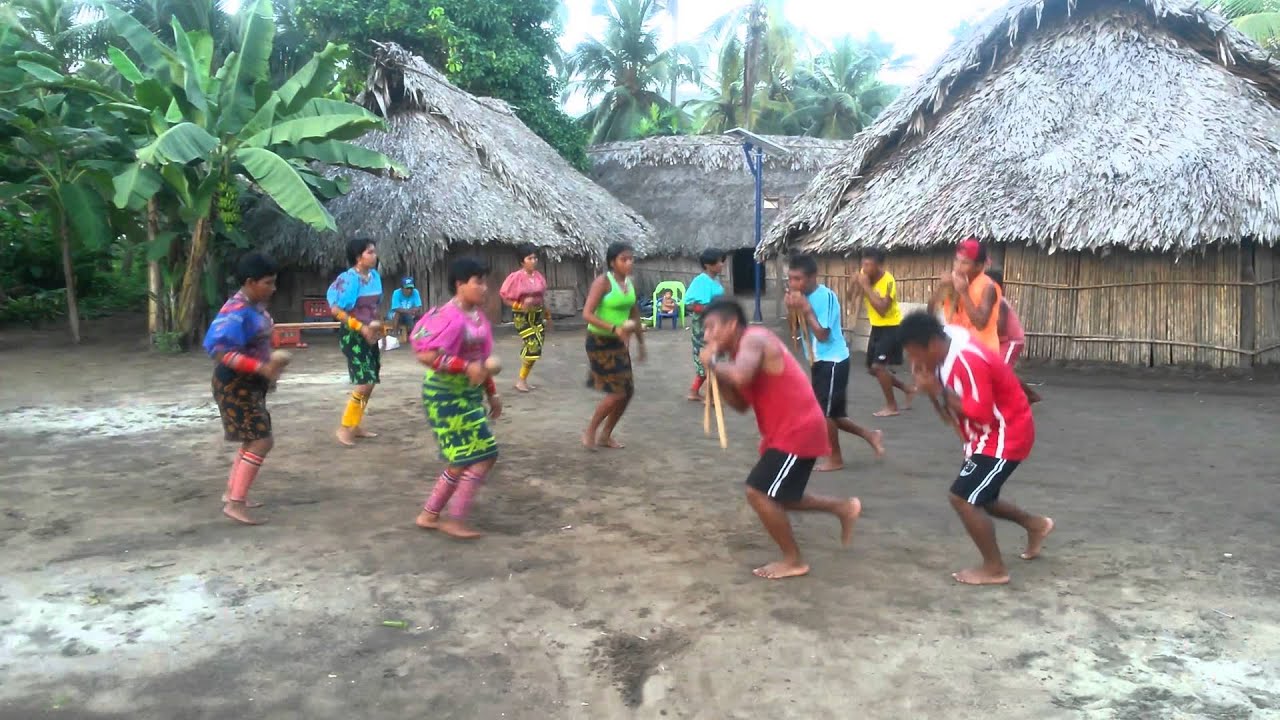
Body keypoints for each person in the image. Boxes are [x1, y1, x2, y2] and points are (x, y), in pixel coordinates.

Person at [699, 298, 862, 580]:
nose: (706, 336)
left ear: (732, 325)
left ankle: (794, 560)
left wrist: (714, 365)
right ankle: (843, 508)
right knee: (782, 496)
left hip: (798, 429)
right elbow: (739, 403)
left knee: (758, 492)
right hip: (787, 431)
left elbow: (739, 377)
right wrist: (718, 377)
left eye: (712, 327)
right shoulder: (739, 354)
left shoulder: (755, 338)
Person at [898, 311, 1054, 586]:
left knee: (964, 498)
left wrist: (937, 391)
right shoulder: (941, 350)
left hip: (1006, 433)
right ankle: (1036, 525)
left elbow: (980, 413)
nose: (914, 362)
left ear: (932, 344)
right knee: (982, 497)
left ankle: (995, 569)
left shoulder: (967, 359)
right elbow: (948, 414)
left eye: (915, 354)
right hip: (984, 435)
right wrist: (934, 392)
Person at [412, 257, 503, 539]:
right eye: (478, 282)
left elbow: (483, 362)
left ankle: (430, 514)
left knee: (463, 457)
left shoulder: (479, 320)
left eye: (485, 282)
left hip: (468, 395)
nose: (485, 288)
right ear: (460, 284)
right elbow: (425, 354)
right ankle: (455, 519)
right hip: (444, 395)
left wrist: (492, 393)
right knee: (485, 454)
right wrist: (464, 367)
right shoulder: (445, 316)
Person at [202, 252, 289, 525]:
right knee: (262, 440)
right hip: (234, 384)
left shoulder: (255, 307)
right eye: (269, 282)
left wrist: (266, 372)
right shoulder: (236, 311)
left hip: (247, 384)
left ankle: (233, 494)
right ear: (250, 282)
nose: (273, 288)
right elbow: (218, 350)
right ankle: (235, 502)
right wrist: (262, 368)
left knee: (253, 438)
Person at [784, 254, 884, 472]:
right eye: (790, 279)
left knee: (824, 413)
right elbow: (795, 329)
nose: (793, 284)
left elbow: (822, 334)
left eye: (798, 279)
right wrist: (792, 309)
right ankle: (871, 435)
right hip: (820, 360)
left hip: (834, 360)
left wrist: (806, 309)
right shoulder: (800, 296)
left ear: (812, 277)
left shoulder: (826, 296)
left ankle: (835, 458)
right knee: (834, 414)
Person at [582, 241, 643, 449]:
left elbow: (635, 314)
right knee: (617, 392)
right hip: (599, 341)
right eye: (623, 259)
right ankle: (591, 430)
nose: (628, 263)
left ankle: (606, 435)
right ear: (612, 262)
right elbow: (587, 314)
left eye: (630, 259)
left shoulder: (630, 284)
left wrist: (641, 342)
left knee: (628, 391)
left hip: (620, 343)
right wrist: (613, 328)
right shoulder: (603, 282)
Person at [327, 238, 384, 447]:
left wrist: (376, 329)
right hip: (353, 334)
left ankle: (355, 424)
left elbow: (374, 307)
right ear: (359, 257)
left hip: (370, 332)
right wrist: (361, 327)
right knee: (365, 381)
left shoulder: (375, 277)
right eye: (370, 252)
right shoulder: (348, 279)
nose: (374, 255)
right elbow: (336, 310)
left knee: (370, 382)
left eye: (374, 251)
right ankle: (345, 427)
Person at [856, 249, 915, 417]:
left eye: (869, 265)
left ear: (879, 265)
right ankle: (907, 389)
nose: (865, 268)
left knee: (878, 367)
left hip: (891, 326)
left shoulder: (888, 281)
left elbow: (882, 309)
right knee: (872, 369)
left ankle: (892, 406)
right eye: (863, 264)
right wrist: (856, 285)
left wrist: (866, 286)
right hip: (877, 327)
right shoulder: (863, 274)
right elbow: (852, 295)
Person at [929, 237, 1002, 354]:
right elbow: (931, 311)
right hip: (959, 352)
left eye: (965, 263)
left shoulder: (988, 287)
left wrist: (964, 293)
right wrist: (941, 287)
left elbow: (980, 324)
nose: (957, 267)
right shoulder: (952, 284)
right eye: (956, 261)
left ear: (978, 266)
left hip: (983, 354)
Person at [499, 244, 552, 393]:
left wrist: (547, 315)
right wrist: (519, 304)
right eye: (530, 258)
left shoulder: (539, 277)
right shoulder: (515, 277)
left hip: (537, 314)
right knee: (533, 345)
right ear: (522, 261)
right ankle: (520, 381)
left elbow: (542, 297)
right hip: (522, 316)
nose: (533, 261)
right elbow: (504, 296)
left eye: (535, 258)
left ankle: (523, 378)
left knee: (537, 347)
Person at [986, 269, 1041, 404]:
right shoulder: (989, 302)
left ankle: (1019, 398)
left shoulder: (999, 302)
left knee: (1000, 371)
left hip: (1012, 341)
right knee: (1000, 370)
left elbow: (1000, 325)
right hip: (1002, 341)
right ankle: (1030, 395)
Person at [684, 248, 726, 401]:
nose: (722, 264)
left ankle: (694, 392)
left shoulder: (715, 280)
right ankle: (712, 396)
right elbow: (688, 304)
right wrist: (709, 309)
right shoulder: (701, 281)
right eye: (719, 261)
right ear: (708, 264)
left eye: (722, 261)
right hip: (703, 326)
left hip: (716, 324)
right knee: (708, 359)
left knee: (712, 358)